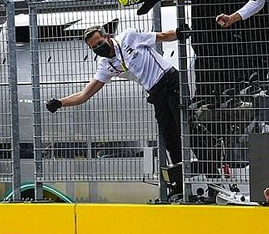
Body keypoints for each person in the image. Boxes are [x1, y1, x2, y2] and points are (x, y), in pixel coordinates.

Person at [45, 26, 186, 196]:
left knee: (185, 127)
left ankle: (209, 168)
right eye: (93, 48)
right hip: (155, 93)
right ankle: (182, 182)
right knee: (170, 137)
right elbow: (84, 95)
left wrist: (178, 33)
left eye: (99, 43)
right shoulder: (105, 65)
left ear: (108, 37)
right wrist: (60, 103)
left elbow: (162, 36)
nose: (98, 48)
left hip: (170, 81)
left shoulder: (129, 37)